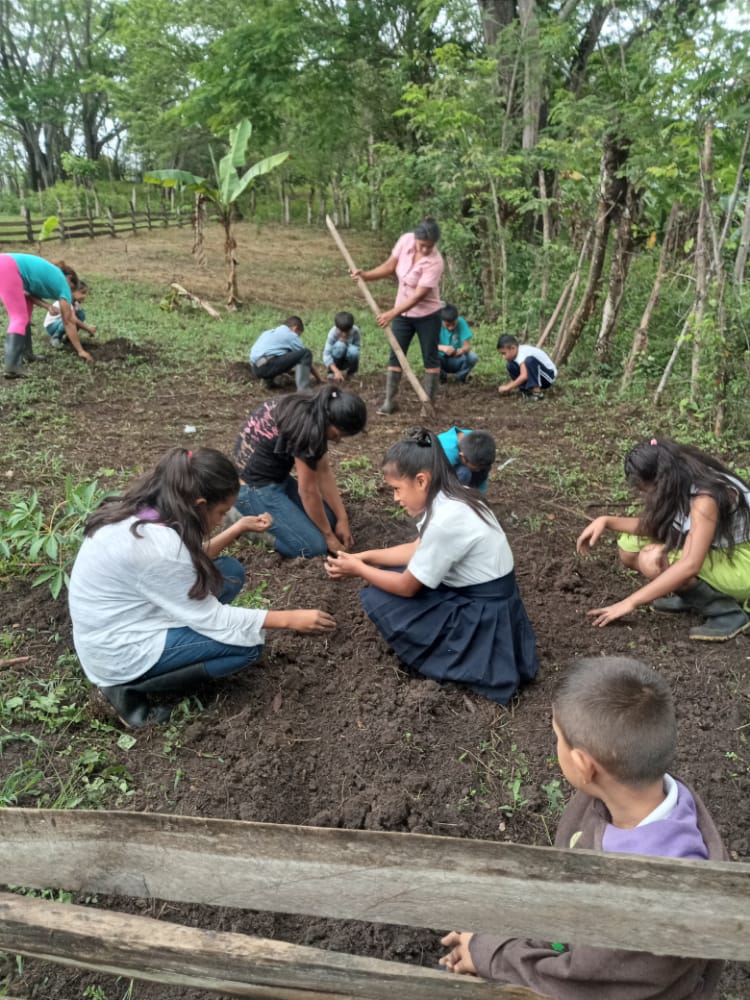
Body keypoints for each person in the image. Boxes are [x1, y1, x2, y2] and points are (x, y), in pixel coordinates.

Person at [439, 655, 727, 999]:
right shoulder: (640, 793)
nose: (556, 746)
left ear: (582, 765)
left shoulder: (654, 908)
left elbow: (580, 982)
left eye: (558, 738)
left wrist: (488, 954)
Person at [68, 447, 337, 728]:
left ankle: (174, 650)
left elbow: (181, 562)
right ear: (198, 503)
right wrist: (291, 618)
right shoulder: (157, 547)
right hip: (118, 651)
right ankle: (124, 690)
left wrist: (237, 528)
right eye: (221, 513)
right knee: (247, 644)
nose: (221, 520)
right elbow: (211, 615)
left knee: (229, 573)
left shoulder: (147, 508)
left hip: (122, 620)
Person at [325, 428, 537, 704]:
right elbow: (417, 549)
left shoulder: (444, 521)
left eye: (397, 489)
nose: (395, 498)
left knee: (384, 593)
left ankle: (454, 656)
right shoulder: (456, 495)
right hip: (495, 598)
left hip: (485, 612)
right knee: (387, 574)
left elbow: (406, 588)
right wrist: (365, 557)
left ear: (422, 480)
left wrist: (359, 569)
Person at [576, 437, 750, 641]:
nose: (643, 493)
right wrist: (606, 521)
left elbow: (690, 565)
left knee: (654, 557)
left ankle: (727, 614)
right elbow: (661, 525)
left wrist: (630, 602)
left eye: (644, 488)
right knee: (630, 547)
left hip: (742, 563)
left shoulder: (705, 498)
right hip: (720, 549)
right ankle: (693, 597)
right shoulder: (682, 472)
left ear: (660, 480)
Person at [232, 385, 368, 558]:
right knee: (314, 547)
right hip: (251, 489)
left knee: (331, 520)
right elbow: (308, 491)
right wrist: (328, 537)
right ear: (332, 422)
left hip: (274, 477)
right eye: (340, 434)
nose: (338, 439)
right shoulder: (308, 430)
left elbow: (323, 472)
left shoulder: (315, 408)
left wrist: (342, 519)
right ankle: (246, 526)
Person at [351, 217, 444, 414]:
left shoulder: (435, 262)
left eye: (430, 246)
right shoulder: (406, 241)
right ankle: (390, 401)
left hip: (428, 315)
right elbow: (390, 266)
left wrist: (392, 313)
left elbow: (419, 296)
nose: (426, 249)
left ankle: (428, 404)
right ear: (416, 239)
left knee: (430, 358)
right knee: (396, 354)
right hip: (402, 313)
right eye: (422, 245)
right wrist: (366, 275)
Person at [0, 253, 93, 377]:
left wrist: (47, 306)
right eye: (73, 287)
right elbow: (68, 321)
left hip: (8, 266)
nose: (70, 292)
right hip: (7, 267)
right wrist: (80, 351)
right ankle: (12, 367)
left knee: (24, 317)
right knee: (19, 318)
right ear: (69, 278)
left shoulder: (50, 275)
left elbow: (28, 295)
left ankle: (27, 353)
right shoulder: (63, 284)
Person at [249, 316, 321, 390]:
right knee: (306, 352)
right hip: (267, 366)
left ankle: (268, 381)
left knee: (280, 354)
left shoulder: (268, 332)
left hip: (255, 368)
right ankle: (304, 390)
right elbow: (304, 357)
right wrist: (319, 379)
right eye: (298, 334)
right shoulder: (291, 335)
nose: (298, 337)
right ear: (294, 328)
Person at [497, 334, 557, 400]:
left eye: (504, 353)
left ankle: (537, 393)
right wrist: (507, 386)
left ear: (513, 348)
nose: (503, 357)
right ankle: (527, 390)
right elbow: (519, 376)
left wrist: (508, 387)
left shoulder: (523, 353)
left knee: (529, 361)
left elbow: (524, 376)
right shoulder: (516, 355)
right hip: (538, 376)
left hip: (548, 377)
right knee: (510, 365)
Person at [437, 427, 496, 493]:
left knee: (482, 471)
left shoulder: (478, 441)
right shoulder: (447, 452)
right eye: (476, 467)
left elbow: (481, 488)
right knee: (464, 473)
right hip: (435, 473)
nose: (478, 470)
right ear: (462, 456)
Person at [44, 280, 96, 349]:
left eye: (85, 293)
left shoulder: (76, 303)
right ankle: (55, 337)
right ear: (72, 291)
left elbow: (77, 318)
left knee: (81, 315)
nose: (84, 296)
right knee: (68, 318)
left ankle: (69, 337)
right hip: (51, 326)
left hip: (61, 323)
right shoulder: (66, 301)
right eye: (82, 293)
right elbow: (74, 320)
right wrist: (88, 329)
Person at [438, 304, 478, 383]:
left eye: (453, 324)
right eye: (447, 325)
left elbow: (467, 346)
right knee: (429, 355)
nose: (451, 328)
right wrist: (443, 348)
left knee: (473, 357)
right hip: (440, 359)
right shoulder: (435, 324)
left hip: (456, 358)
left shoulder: (461, 322)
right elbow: (429, 346)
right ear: (442, 321)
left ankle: (460, 377)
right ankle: (441, 377)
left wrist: (462, 350)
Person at [323, 311, 361, 381]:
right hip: (335, 359)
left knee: (354, 351)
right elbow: (326, 355)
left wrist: (346, 342)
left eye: (347, 331)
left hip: (347, 360)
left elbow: (357, 348)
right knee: (339, 345)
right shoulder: (332, 333)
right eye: (341, 331)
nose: (344, 334)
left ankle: (352, 373)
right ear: (336, 327)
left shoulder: (355, 331)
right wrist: (336, 371)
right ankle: (331, 372)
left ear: (351, 328)